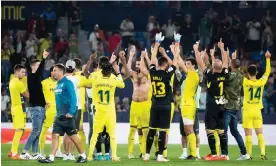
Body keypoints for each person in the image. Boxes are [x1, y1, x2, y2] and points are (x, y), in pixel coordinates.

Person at [38, 64, 87, 163]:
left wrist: (71, 112)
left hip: (67, 116)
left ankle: (83, 156)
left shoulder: (67, 83)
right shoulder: (58, 84)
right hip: (59, 115)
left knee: (74, 137)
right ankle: (51, 158)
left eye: (55, 70)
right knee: (55, 135)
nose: (53, 72)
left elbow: (74, 98)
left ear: (61, 72)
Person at [143, 32, 178, 162]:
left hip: (155, 105)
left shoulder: (152, 72)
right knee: (163, 131)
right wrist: (177, 46)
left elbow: (152, 59)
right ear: (165, 65)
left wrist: (156, 44)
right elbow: (174, 63)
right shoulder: (168, 74)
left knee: (151, 130)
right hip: (165, 106)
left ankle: (146, 154)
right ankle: (160, 156)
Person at [194, 39, 229, 161]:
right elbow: (225, 62)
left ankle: (214, 154)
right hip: (222, 105)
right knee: (221, 131)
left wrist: (195, 50)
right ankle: (224, 154)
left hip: (212, 105)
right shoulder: (225, 73)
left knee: (210, 130)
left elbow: (200, 63)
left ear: (213, 67)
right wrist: (222, 48)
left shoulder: (210, 75)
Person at [87, 59, 125, 161]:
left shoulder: (95, 78)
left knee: (95, 134)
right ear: (110, 71)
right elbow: (122, 85)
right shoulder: (113, 79)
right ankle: (114, 156)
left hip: (99, 111)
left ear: (101, 69)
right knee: (112, 135)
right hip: (110, 112)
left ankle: (90, 156)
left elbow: (88, 77)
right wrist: (118, 72)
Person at [20, 50, 49, 160]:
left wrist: (44, 103)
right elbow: (40, 68)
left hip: (39, 107)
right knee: (36, 130)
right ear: (33, 67)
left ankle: (35, 153)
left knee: (38, 131)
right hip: (36, 108)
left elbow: (38, 93)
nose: (40, 67)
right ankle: (24, 152)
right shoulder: (32, 76)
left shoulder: (35, 77)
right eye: (37, 65)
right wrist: (44, 58)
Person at [242, 51, 271, 160]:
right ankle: (263, 154)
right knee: (260, 133)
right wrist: (268, 59)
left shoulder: (245, 82)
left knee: (248, 134)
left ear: (248, 73)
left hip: (247, 110)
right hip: (257, 110)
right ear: (257, 72)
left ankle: (248, 155)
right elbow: (267, 72)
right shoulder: (261, 82)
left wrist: (233, 59)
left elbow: (238, 72)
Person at [224, 50, 250, 160]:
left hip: (228, 106)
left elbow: (226, 70)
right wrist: (233, 58)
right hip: (236, 107)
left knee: (224, 131)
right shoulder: (241, 75)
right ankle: (245, 154)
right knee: (235, 131)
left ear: (231, 65)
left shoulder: (230, 76)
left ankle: (225, 154)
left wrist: (227, 56)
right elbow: (235, 66)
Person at [127, 47, 151, 159]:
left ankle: (145, 152)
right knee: (133, 129)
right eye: (136, 64)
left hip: (145, 105)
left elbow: (149, 67)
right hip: (134, 105)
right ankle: (130, 153)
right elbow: (127, 70)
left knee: (145, 130)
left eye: (139, 64)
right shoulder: (134, 75)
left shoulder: (148, 76)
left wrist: (143, 57)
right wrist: (131, 56)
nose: (137, 66)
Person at [177, 56, 199, 160]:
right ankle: (193, 153)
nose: (186, 65)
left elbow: (181, 65)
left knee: (189, 129)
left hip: (188, 105)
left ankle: (194, 154)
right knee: (187, 129)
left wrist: (176, 52)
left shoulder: (193, 74)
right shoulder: (190, 76)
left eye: (189, 64)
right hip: (188, 104)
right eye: (186, 64)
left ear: (193, 65)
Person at [38, 67, 63, 158]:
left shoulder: (61, 82)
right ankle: (41, 152)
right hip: (49, 111)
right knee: (44, 131)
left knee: (59, 132)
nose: (55, 73)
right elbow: (36, 94)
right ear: (51, 72)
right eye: (54, 71)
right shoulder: (44, 83)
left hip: (60, 111)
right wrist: (43, 102)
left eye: (57, 71)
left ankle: (58, 151)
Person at [8, 65, 30, 159]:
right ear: (16, 72)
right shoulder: (18, 83)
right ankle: (14, 153)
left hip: (14, 107)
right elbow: (27, 95)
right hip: (19, 108)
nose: (24, 74)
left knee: (20, 130)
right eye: (22, 72)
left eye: (24, 72)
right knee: (19, 130)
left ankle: (12, 151)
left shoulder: (12, 81)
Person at [73, 58, 89, 151]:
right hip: (80, 104)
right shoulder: (82, 75)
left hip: (77, 105)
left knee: (78, 128)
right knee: (78, 129)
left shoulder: (77, 76)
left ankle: (81, 151)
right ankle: (80, 151)